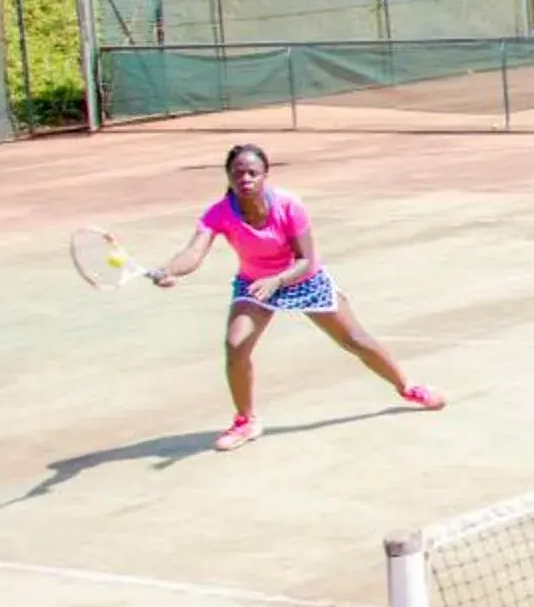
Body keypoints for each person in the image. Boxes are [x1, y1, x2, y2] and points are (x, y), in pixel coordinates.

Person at [150, 143, 444, 452]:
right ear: (229, 176)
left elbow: (305, 259)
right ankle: (246, 421)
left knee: (355, 340)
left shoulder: (289, 205)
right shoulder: (219, 213)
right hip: (254, 284)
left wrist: (276, 280)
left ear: (265, 175)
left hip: (302, 278)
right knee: (235, 345)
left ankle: (407, 387)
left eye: (253, 172)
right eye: (239, 173)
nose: (246, 178)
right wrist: (170, 269)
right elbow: (194, 251)